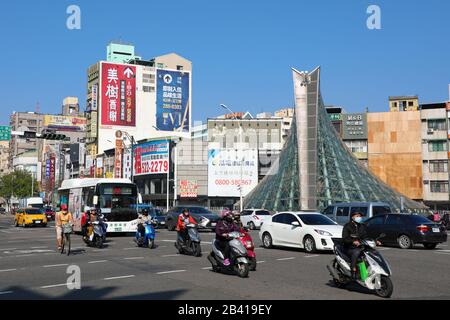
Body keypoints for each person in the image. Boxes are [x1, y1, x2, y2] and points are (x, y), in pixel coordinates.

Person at [342, 212, 375, 279]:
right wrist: (353, 241)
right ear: (352, 217)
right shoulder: (347, 226)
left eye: (360, 216)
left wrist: (375, 240)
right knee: (356, 252)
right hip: (350, 247)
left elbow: (366, 235)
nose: (359, 217)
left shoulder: (361, 226)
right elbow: (345, 238)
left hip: (360, 246)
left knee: (371, 251)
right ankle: (353, 270)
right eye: (357, 216)